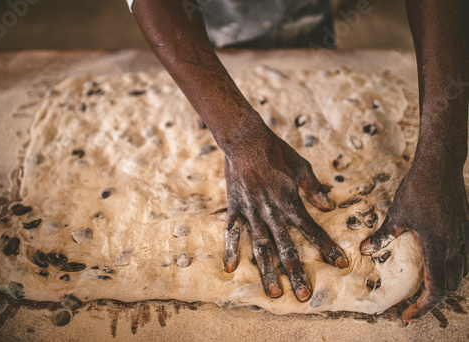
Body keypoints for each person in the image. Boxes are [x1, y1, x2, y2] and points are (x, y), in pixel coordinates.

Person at [126, 0, 468, 322]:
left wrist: (443, 157)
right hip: (201, 21)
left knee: (306, 43)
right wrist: (238, 136)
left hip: (305, 13)